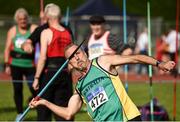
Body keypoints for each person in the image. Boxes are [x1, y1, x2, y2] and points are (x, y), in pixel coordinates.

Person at [29, 44, 175, 121]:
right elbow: (68, 113)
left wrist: (160, 63)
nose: (77, 58)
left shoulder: (102, 62)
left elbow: (135, 58)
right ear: (70, 64)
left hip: (127, 119)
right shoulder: (79, 87)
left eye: (78, 53)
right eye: (72, 57)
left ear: (84, 52)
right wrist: (44, 102)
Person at [32, 3, 73, 121]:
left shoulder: (46, 32)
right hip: (64, 73)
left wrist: (36, 77)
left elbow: (43, 57)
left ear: (47, 17)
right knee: (62, 107)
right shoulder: (68, 32)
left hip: (49, 73)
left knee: (43, 109)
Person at [3, 8, 37, 120]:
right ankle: (19, 113)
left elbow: (43, 30)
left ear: (28, 19)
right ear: (16, 20)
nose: (23, 21)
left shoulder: (33, 28)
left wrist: (43, 18)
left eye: (25, 18)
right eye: (20, 19)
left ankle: (41, 109)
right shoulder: (13, 30)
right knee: (17, 88)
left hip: (30, 64)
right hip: (15, 64)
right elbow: (7, 49)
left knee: (34, 88)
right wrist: (7, 65)